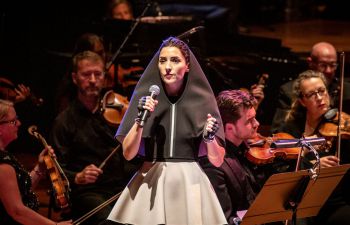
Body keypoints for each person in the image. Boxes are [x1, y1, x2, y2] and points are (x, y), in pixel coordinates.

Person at [106, 37, 227, 224]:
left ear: (187, 66)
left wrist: (210, 139)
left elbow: (218, 161)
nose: (168, 66)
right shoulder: (146, 98)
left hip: (189, 181)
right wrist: (140, 120)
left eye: (175, 60)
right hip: (152, 179)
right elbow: (129, 154)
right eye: (163, 61)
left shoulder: (203, 101)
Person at [50, 51, 138, 225]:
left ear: (104, 77)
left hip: (122, 187)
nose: (92, 80)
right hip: (88, 192)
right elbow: (56, 170)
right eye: (86, 74)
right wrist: (77, 177)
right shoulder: (64, 121)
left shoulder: (119, 111)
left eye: (98, 74)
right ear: (75, 78)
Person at [278, 70, 350, 225]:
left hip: (334, 202)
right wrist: (315, 166)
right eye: (311, 94)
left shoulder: (341, 125)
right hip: (302, 201)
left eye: (322, 91)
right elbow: (282, 169)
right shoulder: (291, 128)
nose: (319, 97)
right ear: (302, 101)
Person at [199, 90, 271, 225]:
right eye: (249, 121)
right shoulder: (214, 165)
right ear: (230, 128)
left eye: (254, 117)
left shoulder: (246, 150)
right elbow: (224, 218)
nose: (257, 124)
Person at [0, 99, 72, 225]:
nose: (19, 123)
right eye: (13, 121)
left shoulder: (5, 156)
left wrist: (40, 167)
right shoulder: (2, 165)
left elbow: (21, 191)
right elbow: (17, 211)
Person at [271, 41, 350, 133]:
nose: (328, 70)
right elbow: (277, 133)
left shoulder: (346, 90)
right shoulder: (288, 92)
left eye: (333, 65)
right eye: (323, 65)